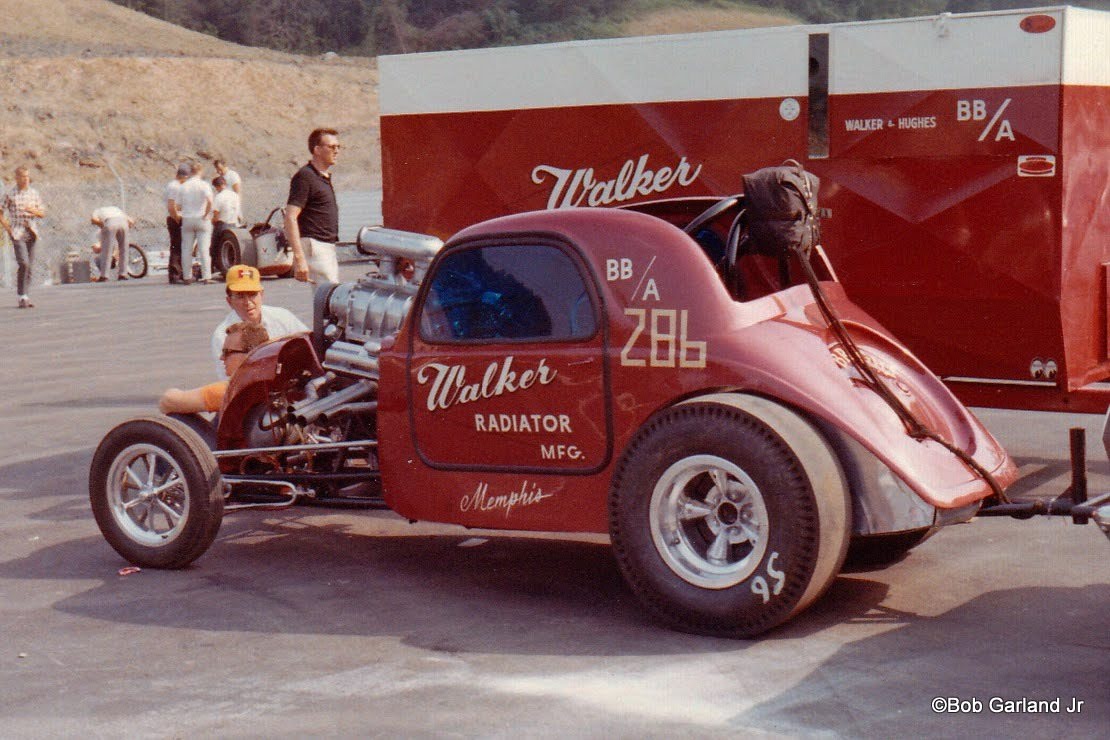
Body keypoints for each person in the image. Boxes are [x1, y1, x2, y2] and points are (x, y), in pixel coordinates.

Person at [210, 264, 308, 379]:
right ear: (229, 301)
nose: (247, 302)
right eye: (240, 296)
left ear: (261, 295)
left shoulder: (283, 317)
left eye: (252, 294)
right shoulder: (222, 335)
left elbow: (309, 347)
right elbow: (228, 381)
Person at [160, 321, 269, 414]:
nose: (221, 357)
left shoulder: (231, 391)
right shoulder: (272, 384)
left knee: (178, 413)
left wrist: (172, 391)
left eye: (227, 352)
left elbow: (168, 401)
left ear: (250, 354)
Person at [285, 128, 341, 284]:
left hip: (326, 247)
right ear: (317, 149)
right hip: (315, 247)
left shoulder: (321, 177)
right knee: (329, 297)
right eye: (331, 147)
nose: (336, 151)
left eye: (338, 147)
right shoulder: (305, 177)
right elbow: (290, 217)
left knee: (328, 298)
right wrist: (299, 257)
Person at [1, 166, 46, 308]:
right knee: (23, 263)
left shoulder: (33, 193)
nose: (26, 179)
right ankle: (22, 295)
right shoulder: (10, 194)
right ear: (17, 178)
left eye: (27, 176)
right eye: (23, 176)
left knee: (30, 266)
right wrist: (8, 228)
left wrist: (32, 210)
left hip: (31, 231)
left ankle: (25, 296)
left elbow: (42, 212)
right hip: (17, 232)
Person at [179, 162, 215, 283]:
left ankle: (187, 276)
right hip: (201, 218)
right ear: (200, 171)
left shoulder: (184, 186)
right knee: (204, 249)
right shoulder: (204, 185)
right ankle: (206, 276)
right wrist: (206, 213)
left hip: (187, 218)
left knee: (186, 249)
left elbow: (178, 205)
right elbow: (210, 201)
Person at [90, 206, 134, 281]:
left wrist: (102, 226)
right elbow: (131, 221)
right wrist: (126, 228)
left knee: (107, 250)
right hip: (123, 222)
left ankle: (104, 276)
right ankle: (123, 274)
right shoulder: (117, 209)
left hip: (110, 223)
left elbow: (93, 220)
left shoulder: (97, 210)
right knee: (124, 249)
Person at [165, 163, 190, 285]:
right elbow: (171, 205)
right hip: (176, 218)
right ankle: (175, 274)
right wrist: (176, 217)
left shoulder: (174, 186)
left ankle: (178, 272)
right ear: (184, 176)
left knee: (179, 246)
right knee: (176, 246)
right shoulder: (174, 187)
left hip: (177, 216)